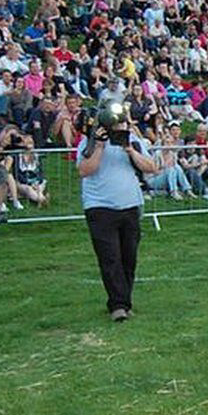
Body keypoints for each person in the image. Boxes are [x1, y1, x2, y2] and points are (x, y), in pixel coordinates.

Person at [77, 105, 158, 322]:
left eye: (121, 124)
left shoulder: (133, 141)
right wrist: (100, 147)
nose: (118, 128)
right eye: (114, 125)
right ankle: (118, 305)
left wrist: (130, 150)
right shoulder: (90, 142)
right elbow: (85, 170)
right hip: (100, 207)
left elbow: (151, 166)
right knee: (110, 257)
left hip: (130, 206)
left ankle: (124, 299)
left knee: (128, 257)